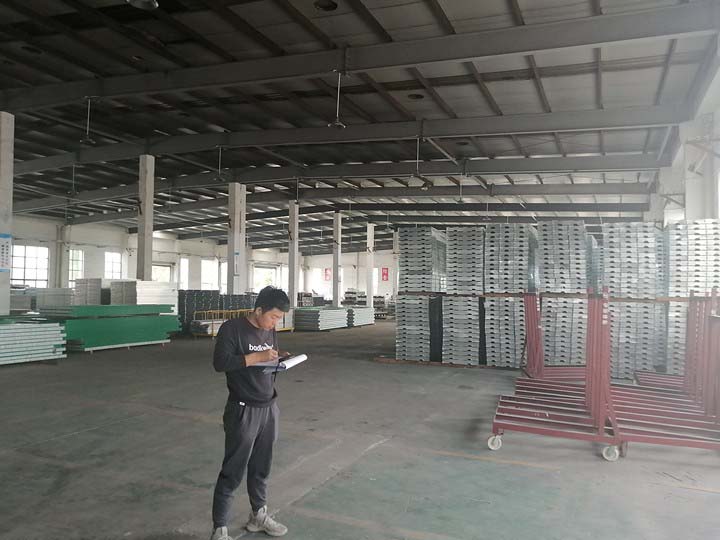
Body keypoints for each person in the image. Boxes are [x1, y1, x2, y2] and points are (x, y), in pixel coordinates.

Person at [210, 286, 291, 539]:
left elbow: (266, 358)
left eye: (279, 319)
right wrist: (257, 357)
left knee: (261, 467)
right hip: (243, 410)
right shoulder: (232, 329)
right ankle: (220, 529)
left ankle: (258, 515)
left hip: (269, 407)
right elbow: (220, 363)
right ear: (258, 310)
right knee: (233, 470)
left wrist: (278, 359)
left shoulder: (270, 330)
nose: (275, 323)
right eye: (273, 317)